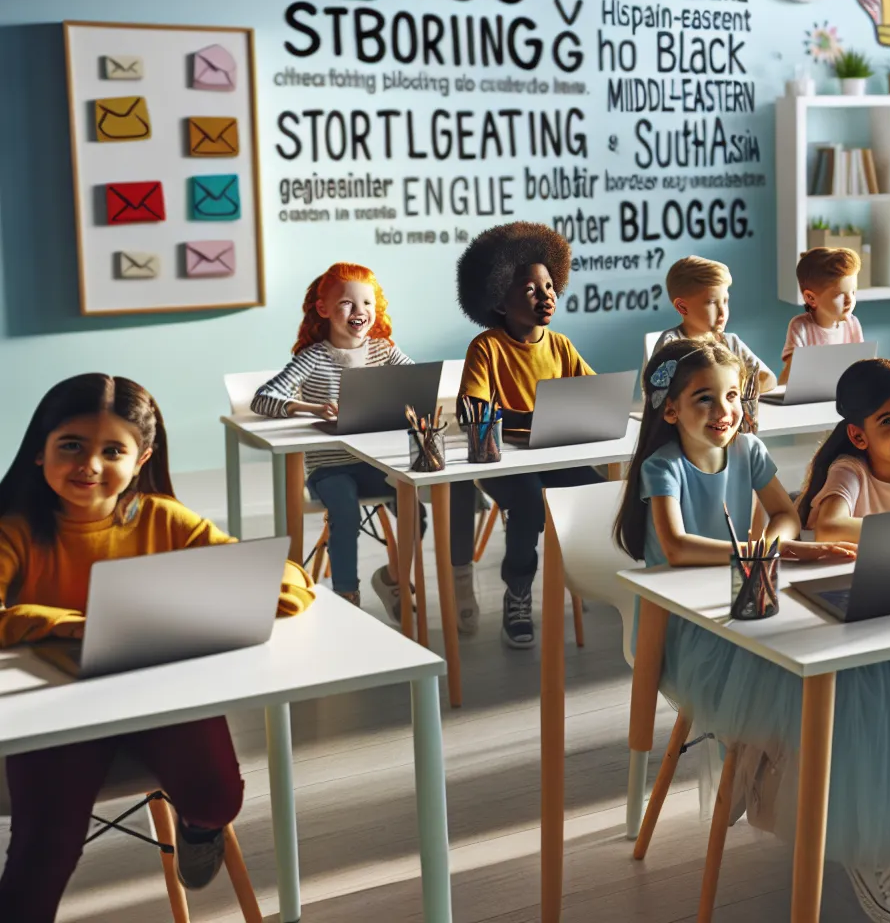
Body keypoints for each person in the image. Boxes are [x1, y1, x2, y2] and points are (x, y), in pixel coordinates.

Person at [615, 342, 890, 923]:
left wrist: (777, 539)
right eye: (704, 399)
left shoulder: (748, 448)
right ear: (669, 410)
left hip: (754, 593)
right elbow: (676, 546)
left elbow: (787, 509)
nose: (724, 410)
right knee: (835, 695)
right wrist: (772, 547)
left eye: (733, 397)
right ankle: (865, 845)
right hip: (688, 630)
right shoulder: (661, 466)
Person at [0, 376, 244, 918]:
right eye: (71, 446)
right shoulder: (14, 531)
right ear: (39, 451)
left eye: (112, 450)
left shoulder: (162, 518)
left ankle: (198, 829)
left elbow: (277, 578)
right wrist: (73, 624)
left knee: (219, 799)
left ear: (142, 459)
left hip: (156, 694)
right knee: (45, 848)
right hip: (55, 709)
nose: (89, 464)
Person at [447, 222, 597, 649]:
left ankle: (596, 575)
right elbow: (473, 410)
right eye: (531, 289)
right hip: (505, 464)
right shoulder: (486, 348)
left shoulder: (562, 346)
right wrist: (533, 418)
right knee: (529, 501)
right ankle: (518, 592)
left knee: (604, 493)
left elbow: (591, 395)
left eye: (550, 286)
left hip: (554, 458)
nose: (546, 295)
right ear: (498, 298)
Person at [253, 262, 417, 611]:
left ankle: (393, 579)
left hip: (375, 462)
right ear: (323, 309)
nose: (360, 312)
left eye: (367, 303)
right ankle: (347, 595)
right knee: (345, 513)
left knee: (415, 508)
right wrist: (309, 408)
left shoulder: (383, 350)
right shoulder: (313, 358)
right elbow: (262, 398)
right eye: (347, 303)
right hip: (329, 468)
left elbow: (417, 382)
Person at [653, 255, 776, 395]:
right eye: (711, 302)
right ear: (682, 307)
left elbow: (766, 380)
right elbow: (658, 394)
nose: (723, 312)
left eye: (725, 301)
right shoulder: (671, 345)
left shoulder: (730, 342)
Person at [781, 246, 865, 384]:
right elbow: (788, 379)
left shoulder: (853, 324)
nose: (850, 301)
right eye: (839, 295)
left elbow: (862, 369)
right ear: (811, 298)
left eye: (853, 292)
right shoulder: (800, 328)